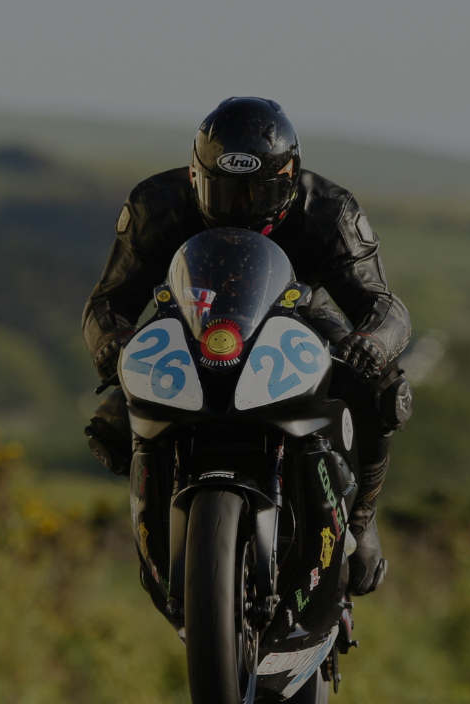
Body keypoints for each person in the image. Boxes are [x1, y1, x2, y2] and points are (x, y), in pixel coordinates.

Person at [82, 97, 412, 596]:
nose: (241, 206)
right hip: (190, 318)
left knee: (383, 390)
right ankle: (163, 529)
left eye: (259, 191)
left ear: (291, 174)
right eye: (224, 190)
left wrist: (371, 343)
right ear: (196, 175)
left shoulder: (330, 210)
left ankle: (361, 517)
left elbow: (384, 304)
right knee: (111, 424)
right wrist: (113, 342)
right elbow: (108, 301)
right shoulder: (157, 205)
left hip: (299, 316)